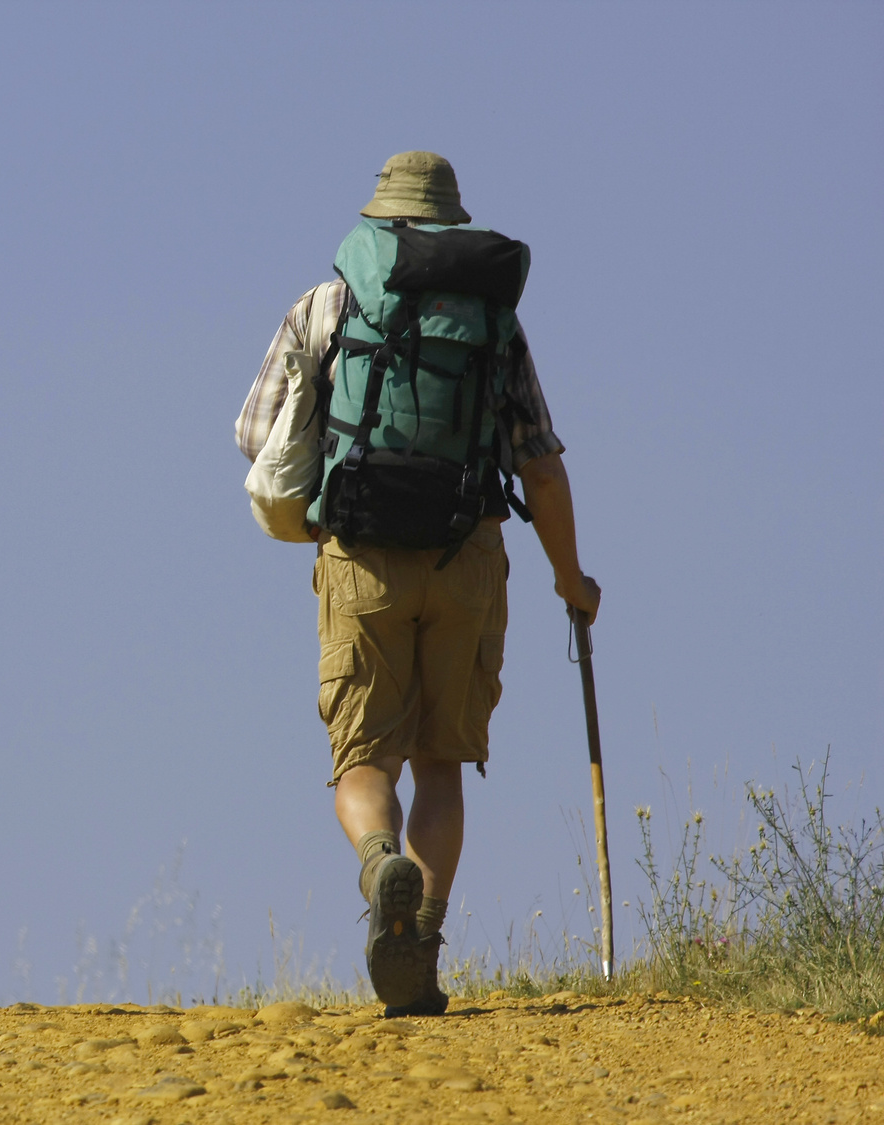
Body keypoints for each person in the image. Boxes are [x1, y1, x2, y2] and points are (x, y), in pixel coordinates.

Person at [235, 152, 600, 1015]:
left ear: (380, 219)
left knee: (363, 758)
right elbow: (540, 468)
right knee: (440, 766)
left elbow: (255, 435)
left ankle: (378, 865)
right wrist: (571, 579)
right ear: (450, 222)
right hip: (468, 558)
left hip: (360, 557)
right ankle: (421, 942)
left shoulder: (325, 305)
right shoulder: (493, 322)